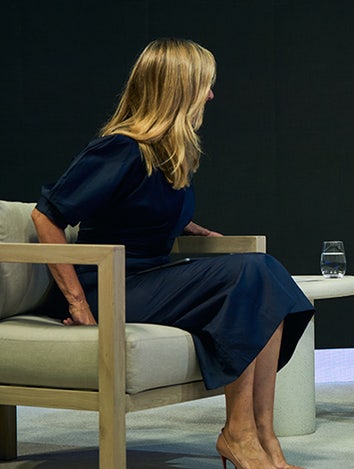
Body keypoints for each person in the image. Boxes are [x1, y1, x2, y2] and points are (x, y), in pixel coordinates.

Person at [31, 38, 314, 469]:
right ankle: (238, 435)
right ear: (178, 89)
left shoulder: (164, 154)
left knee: (266, 275)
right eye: (205, 85)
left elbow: (133, 208)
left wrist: (185, 225)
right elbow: (45, 216)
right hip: (110, 286)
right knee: (251, 272)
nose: (211, 95)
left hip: (146, 280)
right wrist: (78, 303)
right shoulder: (120, 148)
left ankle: (263, 434)